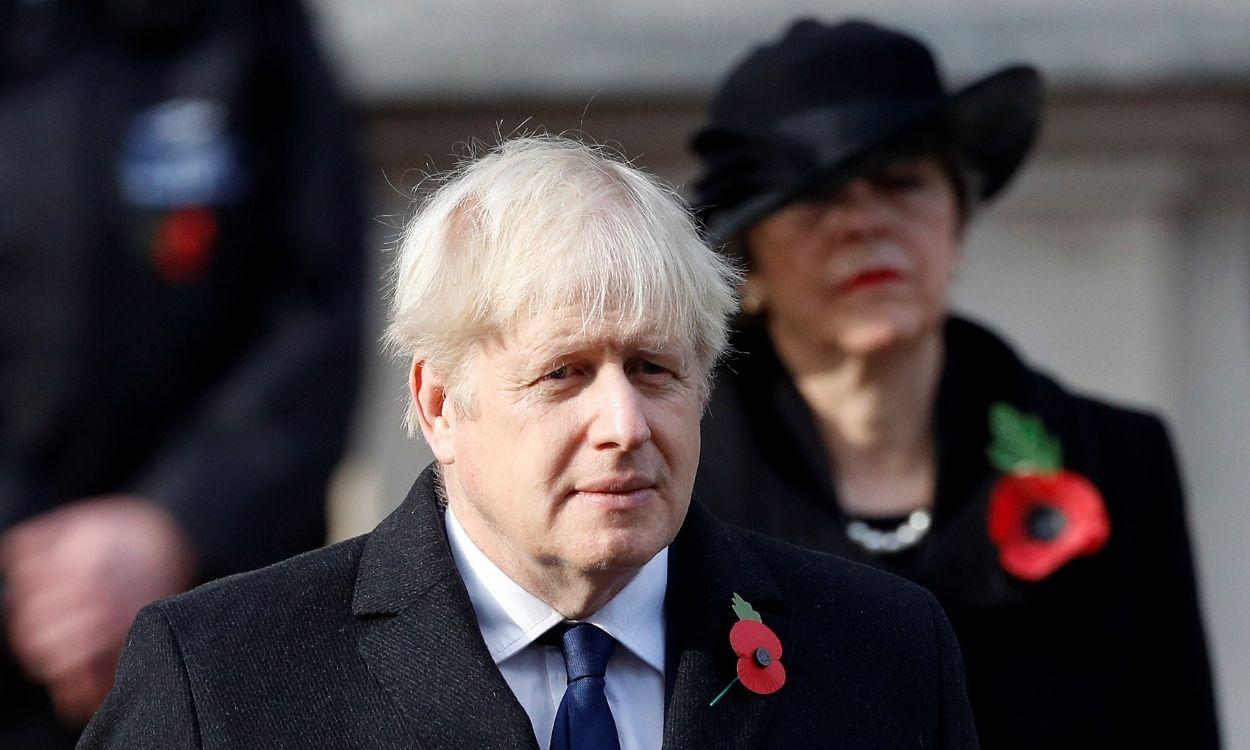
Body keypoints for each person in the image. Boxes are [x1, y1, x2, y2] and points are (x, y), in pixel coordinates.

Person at [78, 136, 978, 749]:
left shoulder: (880, 654)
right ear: (438, 403)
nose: (623, 426)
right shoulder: (222, 678)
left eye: (656, 370)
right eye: (564, 374)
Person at [690, 18, 1221, 750]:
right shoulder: (675, 478)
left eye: (902, 182)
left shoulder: (1117, 459)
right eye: (816, 199)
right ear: (750, 266)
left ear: (958, 222)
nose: (866, 223)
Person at [0, 0, 362, 745]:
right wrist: (38, 575)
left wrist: (176, 525)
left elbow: (320, 305)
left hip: (222, 627)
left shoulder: (254, 35)